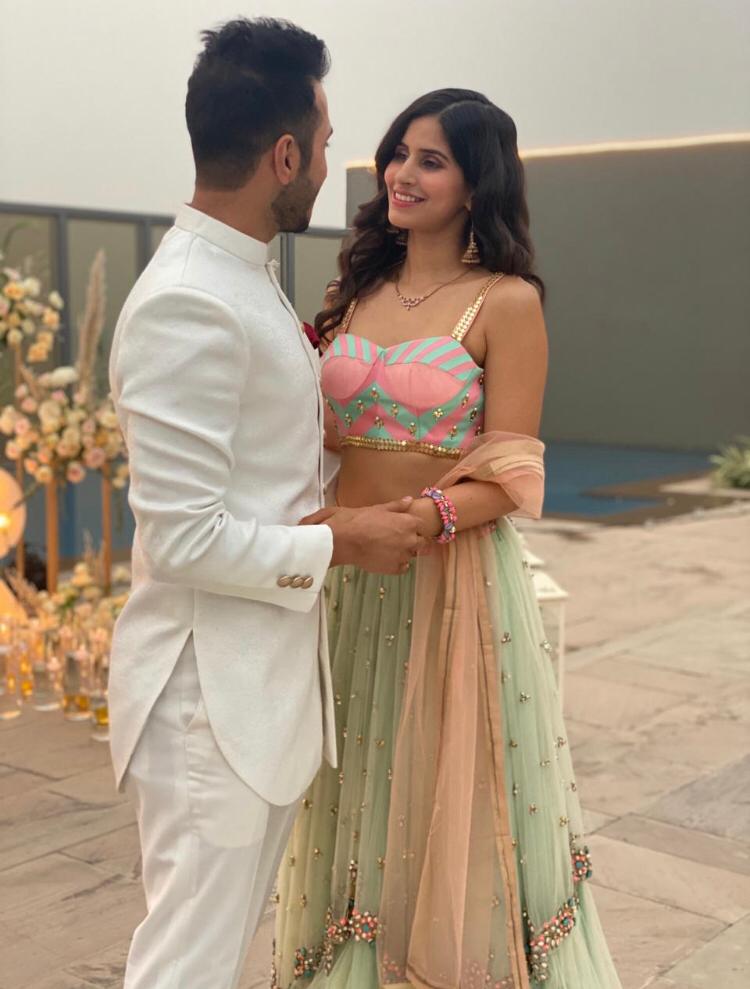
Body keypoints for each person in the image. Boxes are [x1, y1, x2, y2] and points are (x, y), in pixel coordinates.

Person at [273, 90, 622, 988]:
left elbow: (511, 470)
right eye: (398, 153)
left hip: (449, 580)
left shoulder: (506, 302)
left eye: (430, 160)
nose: (401, 173)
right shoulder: (354, 293)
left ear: (477, 182)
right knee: (354, 778)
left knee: (441, 786)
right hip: (348, 572)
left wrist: (422, 518)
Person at [108, 18, 423, 989]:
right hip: (210, 703)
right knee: (186, 964)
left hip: (256, 690)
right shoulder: (188, 299)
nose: (329, 165)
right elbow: (184, 537)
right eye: (323, 145)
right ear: (284, 155)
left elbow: (266, 465)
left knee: (211, 954)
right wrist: (343, 539)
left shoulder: (240, 277)